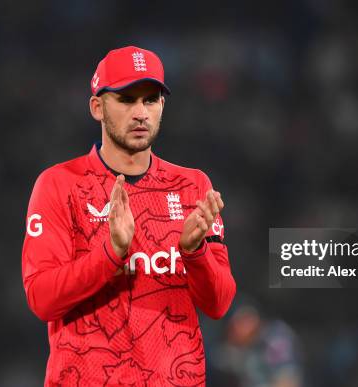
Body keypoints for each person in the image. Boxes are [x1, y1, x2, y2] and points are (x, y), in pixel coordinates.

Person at [21, 46, 236, 386]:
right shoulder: (59, 184)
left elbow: (219, 304)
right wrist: (110, 254)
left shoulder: (192, 186)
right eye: (125, 99)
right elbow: (42, 300)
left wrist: (195, 253)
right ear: (97, 107)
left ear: (162, 106)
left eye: (150, 100)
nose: (140, 113)